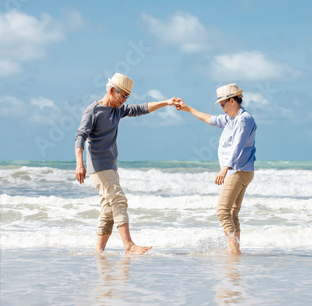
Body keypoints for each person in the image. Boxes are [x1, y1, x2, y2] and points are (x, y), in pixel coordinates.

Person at [75, 72, 178, 254]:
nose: (125, 100)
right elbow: (80, 136)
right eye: (123, 96)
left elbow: (142, 108)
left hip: (111, 165)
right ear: (112, 90)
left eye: (127, 97)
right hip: (98, 166)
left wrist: (167, 102)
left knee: (108, 208)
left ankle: (99, 251)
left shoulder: (118, 110)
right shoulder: (93, 110)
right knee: (119, 200)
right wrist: (79, 164)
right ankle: (129, 245)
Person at [176, 83, 256, 254]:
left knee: (222, 210)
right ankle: (236, 250)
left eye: (223, 103)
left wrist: (226, 167)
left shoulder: (244, 119)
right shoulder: (231, 120)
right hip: (240, 171)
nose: (222, 107)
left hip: (238, 171)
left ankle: (234, 251)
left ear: (233, 100)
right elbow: (209, 119)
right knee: (233, 213)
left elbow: (238, 145)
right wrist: (187, 108)